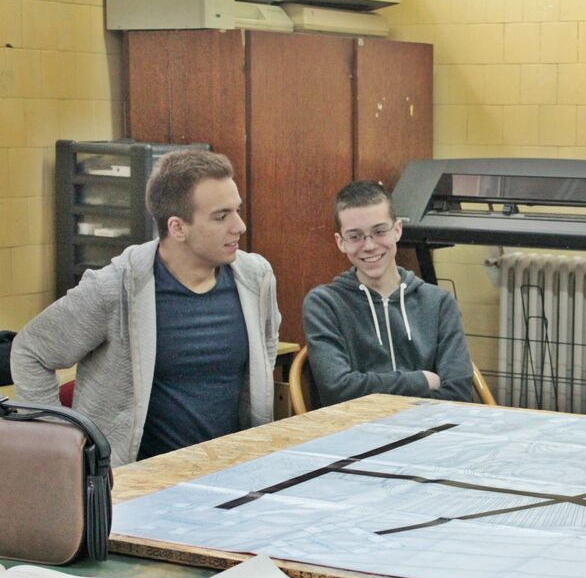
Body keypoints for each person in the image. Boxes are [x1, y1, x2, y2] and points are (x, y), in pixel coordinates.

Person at [12, 149, 280, 466]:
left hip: (233, 471)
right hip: (137, 482)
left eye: (237, 211)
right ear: (177, 228)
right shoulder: (114, 287)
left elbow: (267, 347)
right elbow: (30, 353)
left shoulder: (256, 277)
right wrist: (60, 446)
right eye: (221, 216)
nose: (240, 226)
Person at [303, 180, 472, 406]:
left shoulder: (439, 302)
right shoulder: (324, 304)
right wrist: (420, 380)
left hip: (428, 425)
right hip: (354, 427)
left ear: (397, 230)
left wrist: (378, 395)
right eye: (355, 236)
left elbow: (458, 393)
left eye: (379, 231)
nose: (369, 246)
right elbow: (337, 390)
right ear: (340, 242)